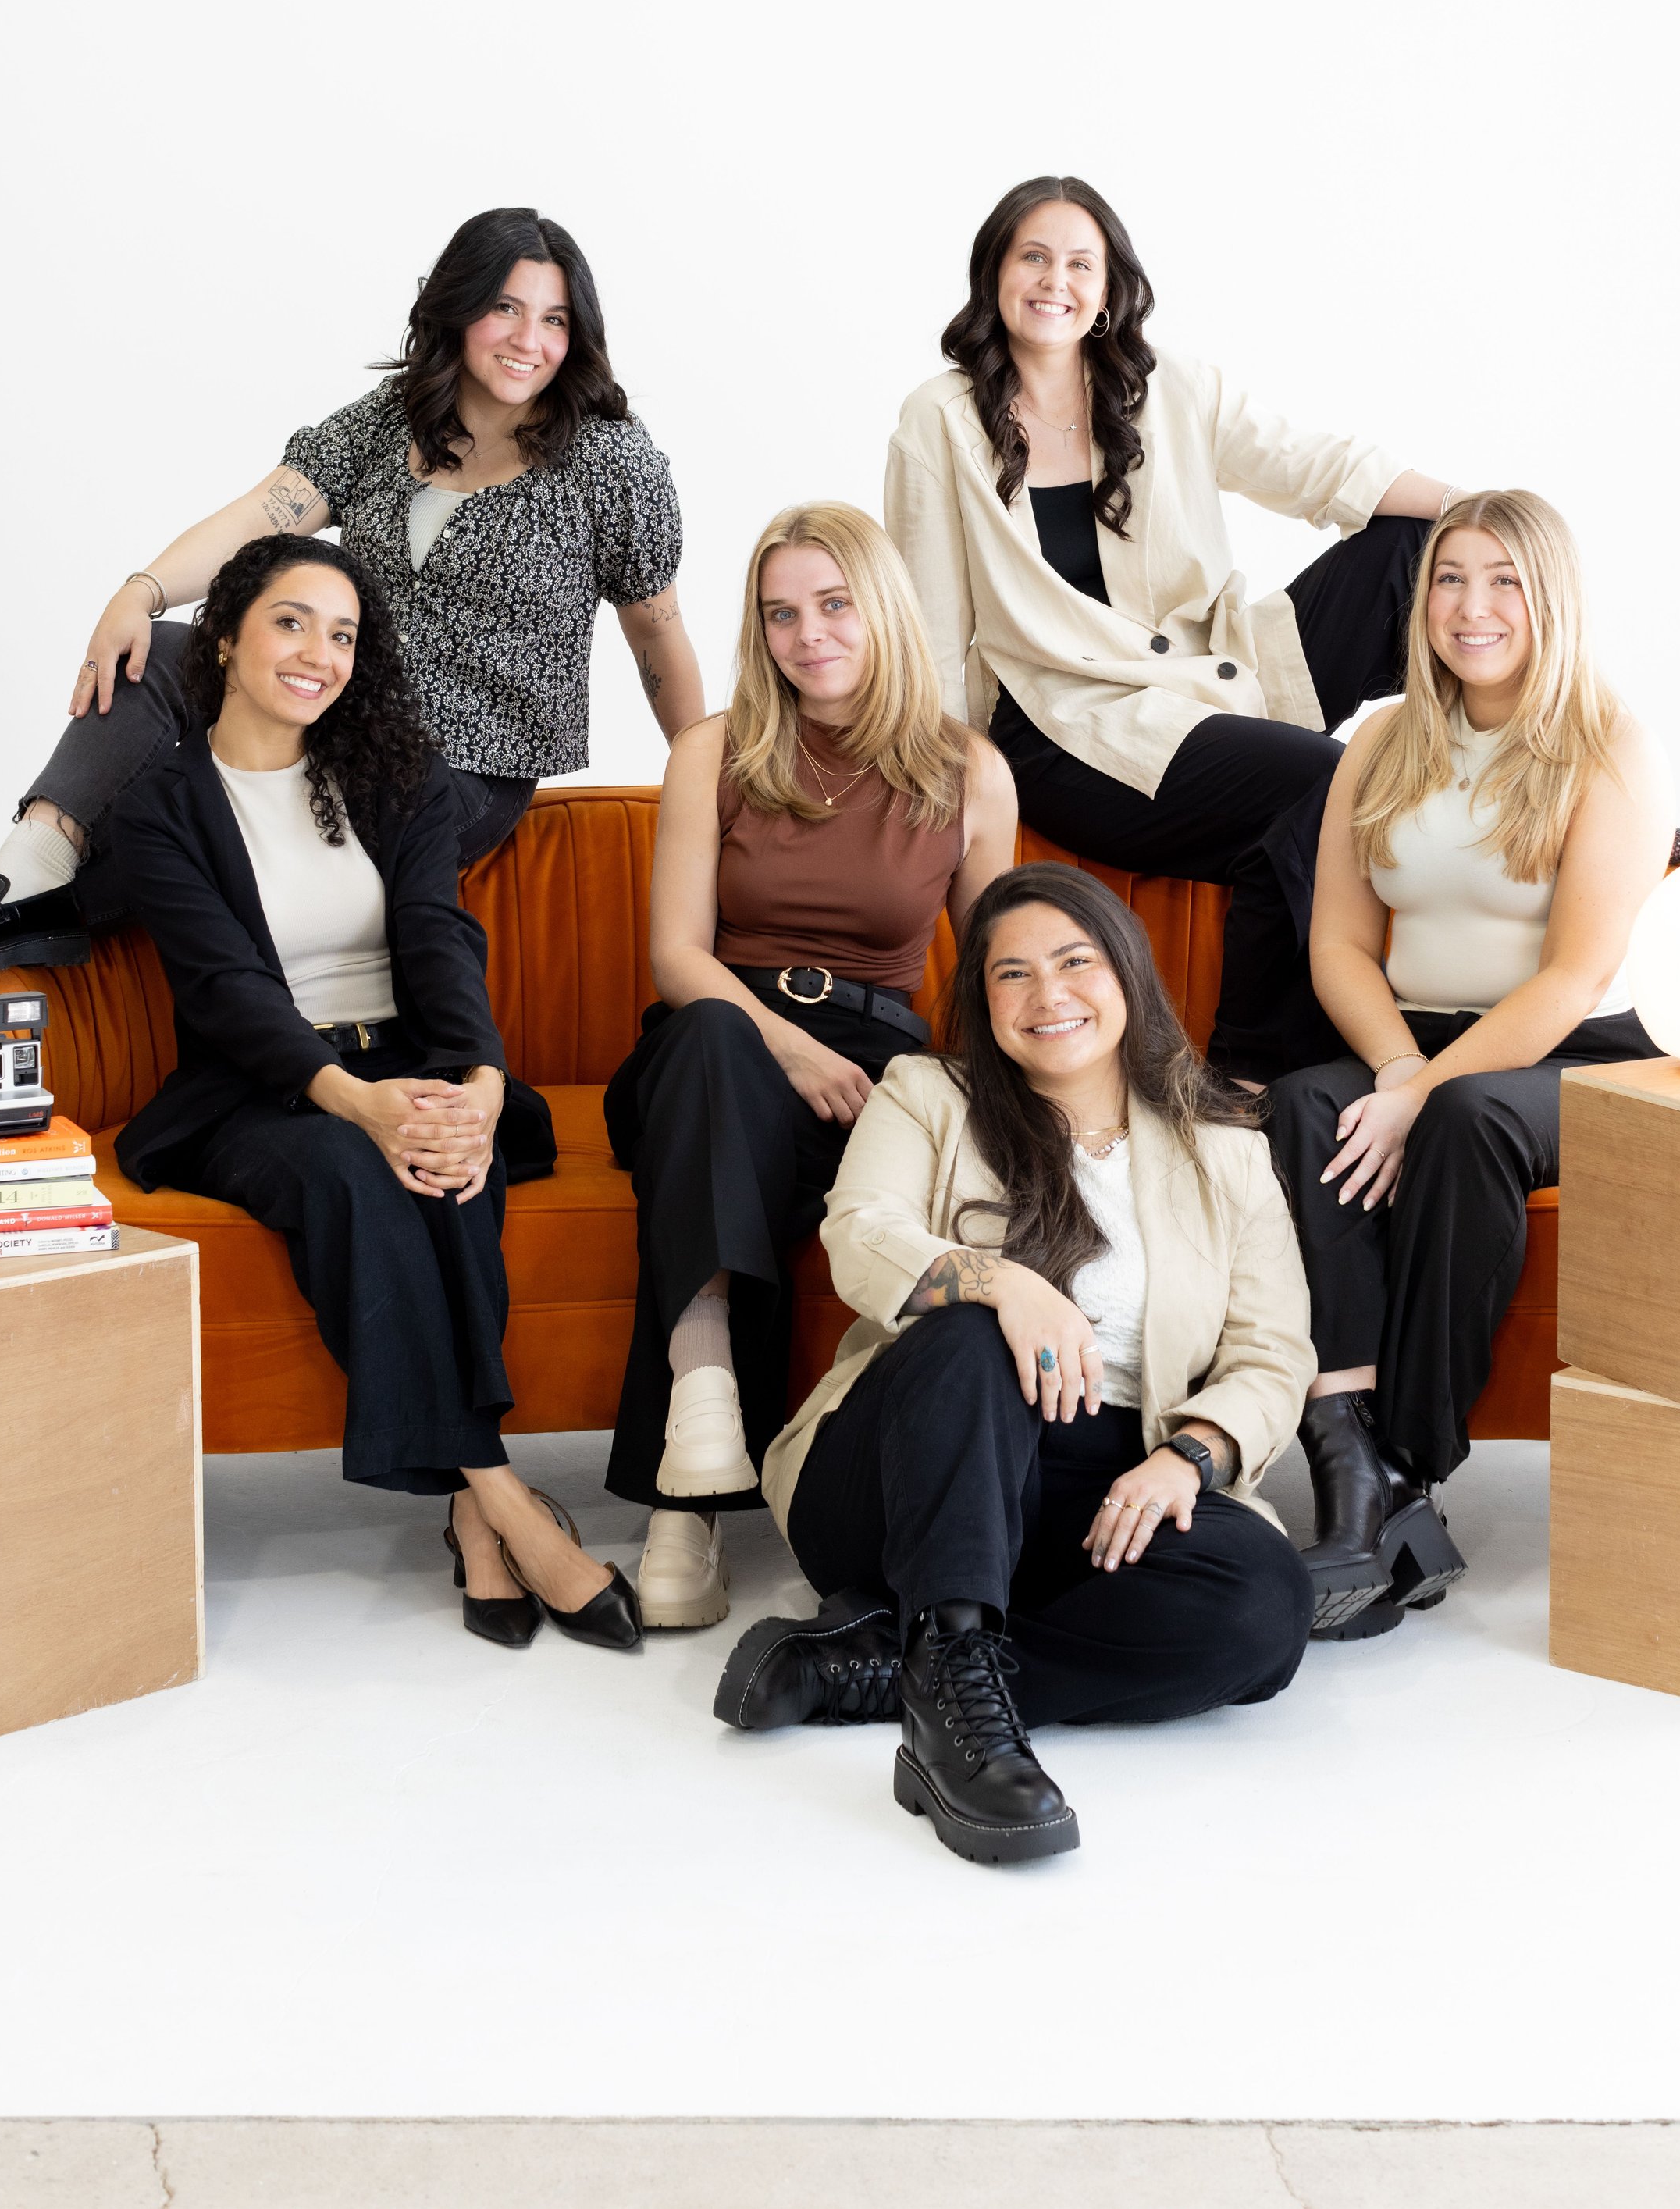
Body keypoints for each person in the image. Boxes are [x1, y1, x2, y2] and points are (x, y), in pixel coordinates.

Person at [717, 862, 1316, 1870]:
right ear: (981, 998)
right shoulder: (929, 1094)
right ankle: (962, 1730)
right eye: (1013, 974)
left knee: (1264, 1608)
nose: (1050, 996)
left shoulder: (1226, 1151)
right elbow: (860, 1232)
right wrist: (999, 1281)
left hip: (1105, 1480)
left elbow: (1272, 1354)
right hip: (904, 1473)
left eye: (1076, 962)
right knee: (969, 1334)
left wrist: (1196, 1457)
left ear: (1126, 974)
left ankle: (876, 1668)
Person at [111, 534, 642, 1654]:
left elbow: (441, 940)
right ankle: (500, 1496)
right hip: (259, 1090)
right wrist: (360, 1102)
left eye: (344, 633)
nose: (320, 653)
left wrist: (481, 1084)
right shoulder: (160, 802)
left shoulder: (395, 775)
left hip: (413, 1059)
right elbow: (225, 990)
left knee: (460, 1163)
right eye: (292, 622)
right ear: (225, 636)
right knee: (360, 1172)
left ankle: (474, 1513)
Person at [0, 208, 702, 971]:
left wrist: (703, 780)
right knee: (170, 651)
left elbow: (657, 631)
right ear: (459, 304)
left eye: (554, 318)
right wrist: (140, 591)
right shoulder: (390, 421)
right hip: (336, 708)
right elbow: (262, 513)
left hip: (459, 773)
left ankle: (49, 916)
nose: (528, 340)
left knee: (259, 783)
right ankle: (20, 874)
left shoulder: (608, 458)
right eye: (505, 307)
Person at [884, 176, 1461, 1086]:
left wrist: (1497, 516)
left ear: (1109, 289)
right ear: (994, 273)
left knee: (1427, 544)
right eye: (1032, 256)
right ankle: (1253, 1066)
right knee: (1322, 779)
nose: (1055, 281)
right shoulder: (940, 421)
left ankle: (1512, 759)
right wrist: (952, 781)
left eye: (1081, 263)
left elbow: (1316, 468)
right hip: (1066, 724)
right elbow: (927, 621)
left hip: (1215, 674)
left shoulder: (1168, 389)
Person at [1265, 491, 1675, 1640]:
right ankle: (1351, 1467)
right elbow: (1340, 945)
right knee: (1306, 1104)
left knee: (1467, 1124)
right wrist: (1399, 1068)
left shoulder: (1611, 744)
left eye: (1503, 581)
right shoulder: (1384, 741)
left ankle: (1410, 1463)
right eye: (1450, 578)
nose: (1471, 606)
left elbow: (1576, 979)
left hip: (1576, 1054)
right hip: (1422, 1037)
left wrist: (1425, 1096)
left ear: (1550, 599)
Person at [602, 502, 1016, 1633]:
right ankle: (699, 1430)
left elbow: (989, 987)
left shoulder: (967, 771)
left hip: (877, 1068)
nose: (808, 634)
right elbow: (678, 955)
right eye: (781, 614)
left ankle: (684, 1502)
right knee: (711, 1051)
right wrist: (790, 1046)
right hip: (715, 1047)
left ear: (881, 610)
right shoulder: (714, 752)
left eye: (833, 605)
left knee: (744, 1156)